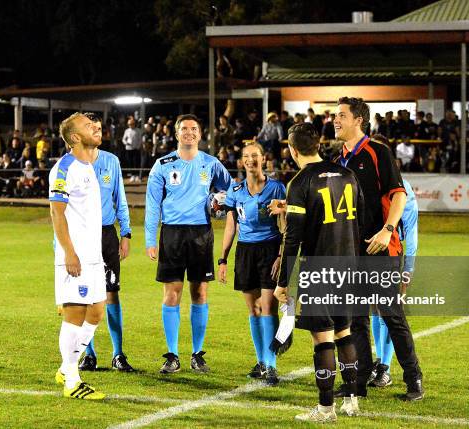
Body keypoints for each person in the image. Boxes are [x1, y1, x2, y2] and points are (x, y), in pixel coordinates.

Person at [333, 97, 423, 401]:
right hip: (351, 251)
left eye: (341, 115)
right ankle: (359, 382)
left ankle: (414, 380)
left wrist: (387, 230)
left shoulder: (378, 151)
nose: (335, 120)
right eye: (336, 115)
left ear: (358, 119)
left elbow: (398, 195)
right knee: (356, 318)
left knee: (391, 315)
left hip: (380, 249)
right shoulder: (339, 159)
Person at [272, 123, 363, 422]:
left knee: (322, 338)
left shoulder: (300, 182)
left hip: (320, 269)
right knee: (344, 333)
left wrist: (283, 282)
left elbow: (293, 237)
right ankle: (352, 400)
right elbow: (358, 221)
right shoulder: (348, 175)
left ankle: (326, 409)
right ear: (320, 144)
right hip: (349, 266)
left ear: (292, 149)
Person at [145, 114, 232, 374]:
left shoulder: (211, 163)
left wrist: (220, 202)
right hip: (171, 234)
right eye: (184, 129)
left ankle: (197, 353)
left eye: (194, 128)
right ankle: (172, 355)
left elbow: (231, 189)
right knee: (172, 293)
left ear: (200, 133)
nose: (189, 133)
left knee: (200, 292)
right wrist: (151, 239)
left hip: (201, 234)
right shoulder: (162, 164)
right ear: (176, 133)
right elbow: (152, 205)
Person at [218, 142, 286, 386]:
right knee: (253, 309)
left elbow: (285, 224)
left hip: (270, 250)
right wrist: (223, 258)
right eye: (246, 156)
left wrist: (281, 254)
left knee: (268, 308)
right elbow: (230, 226)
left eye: (254, 156)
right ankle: (260, 362)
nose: (250, 160)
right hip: (245, 251)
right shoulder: (235, 191)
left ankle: (272, 365)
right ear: (240, 161)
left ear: (263, 158)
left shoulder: (277, 188)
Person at [49, 112, 107, 400]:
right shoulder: (66, 168)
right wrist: (70, 253)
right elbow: (56, 212)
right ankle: (72, 380)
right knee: (74, 315)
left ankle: (65, 366)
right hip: (76, 257)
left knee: (97, 311)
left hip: (93, 257)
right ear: (74, 137)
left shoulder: (88, 166)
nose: (95, 127)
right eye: (88, 125)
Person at [78, 114, 135, 373]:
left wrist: (126, 233)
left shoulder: (111, 162)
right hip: (81, 237)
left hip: (106, 236)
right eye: (93, 129)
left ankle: (118, 354)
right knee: (84, 296)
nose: (99, 133)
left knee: (112, 293)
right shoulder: (70, 165)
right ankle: (88, 354)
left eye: (100, 129)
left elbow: (120, 199)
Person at [369, 176, 418, 388]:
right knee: (374, 310)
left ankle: (385, 368)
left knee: (387, 311)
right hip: (367, 252)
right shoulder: (365, 180)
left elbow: (411, 230)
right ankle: (380, 363)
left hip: (389, 255)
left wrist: (408, 270)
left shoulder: (401, 188)